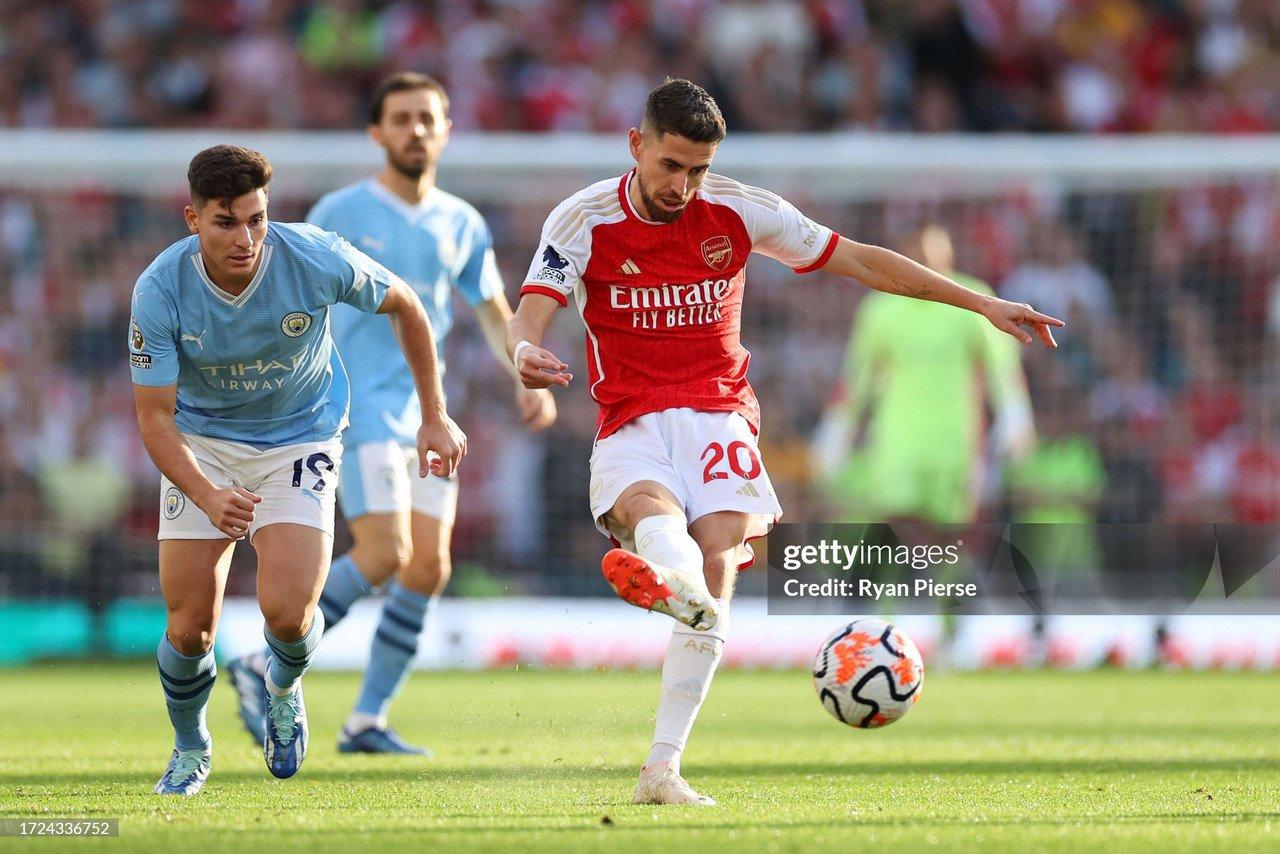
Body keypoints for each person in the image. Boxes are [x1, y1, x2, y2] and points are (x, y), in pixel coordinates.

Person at [506, 78, 1062, 806]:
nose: (683, 185)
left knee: (716, 564)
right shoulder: (583, 219)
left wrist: (979, 302)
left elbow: (862, 260)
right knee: (660, 524)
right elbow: (531, 311)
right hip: (633, 417)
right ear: (637, 146)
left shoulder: (740, 210)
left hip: (719, 417)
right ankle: (671, 589)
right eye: (671, 165)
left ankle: (661, 765)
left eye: (698, 169)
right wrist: (524, 352)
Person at [226, 72, 555, 756]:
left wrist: (523, 371)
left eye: (428, 118)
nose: (416, 131)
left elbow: (495, 312)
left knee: (428, 567)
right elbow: (287, 297)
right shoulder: (340, 212)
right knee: (385, 552)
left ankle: (366, 719)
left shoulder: (461, 222)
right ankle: (264, 664)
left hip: (427, 414)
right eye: (401, 119)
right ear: (377, 133)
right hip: (357, 408)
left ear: (447, 130)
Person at [130, 144, 465, 795]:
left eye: (255, 218)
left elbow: (408, 306)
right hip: (204, 447)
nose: (246, 237)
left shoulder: (313, 255)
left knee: (288, 614)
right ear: (192, 218)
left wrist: (434, 414)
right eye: (227, 222)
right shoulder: (159, 289)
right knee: (188, 628)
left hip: (299, 441)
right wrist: (205, 489)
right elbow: (154, 419)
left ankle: (282, 688)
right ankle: (191, 746)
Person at [815, 222, 1035, 523]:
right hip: (897, 437)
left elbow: (1003, 367)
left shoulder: (976, 299)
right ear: (903, 254)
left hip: (956, 438)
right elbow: (857, 377)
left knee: (950, 527)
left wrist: (1015, 415)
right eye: (918, 246)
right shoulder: (881, 308)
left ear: (950, 250)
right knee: (898, 517)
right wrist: (837, 428)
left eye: (935, 244)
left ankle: (941, 570)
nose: (927, 253)